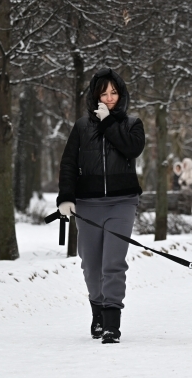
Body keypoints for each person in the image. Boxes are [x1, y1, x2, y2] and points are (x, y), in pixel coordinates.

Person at [56, 68, 145, 344]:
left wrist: (108, 124)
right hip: (89, 204)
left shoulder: (132, 124)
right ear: (95, 96)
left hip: (122, 203)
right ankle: (98, 312)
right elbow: (69, 162)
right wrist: (66, 198)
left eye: (113, 93)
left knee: (113, 264)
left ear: (121, 94)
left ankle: (111, 324)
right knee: (91, 265)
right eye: (103, 93)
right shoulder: (82, 126)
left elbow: (132, 149)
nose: (109, 98)